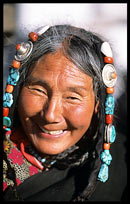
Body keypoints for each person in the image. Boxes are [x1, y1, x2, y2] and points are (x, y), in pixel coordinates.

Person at [3, 24, 126, 201]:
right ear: (19, 88)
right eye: (39, 90)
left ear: (98, 104)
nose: (50, 115)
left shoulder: (121, 170)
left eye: (72, 98)